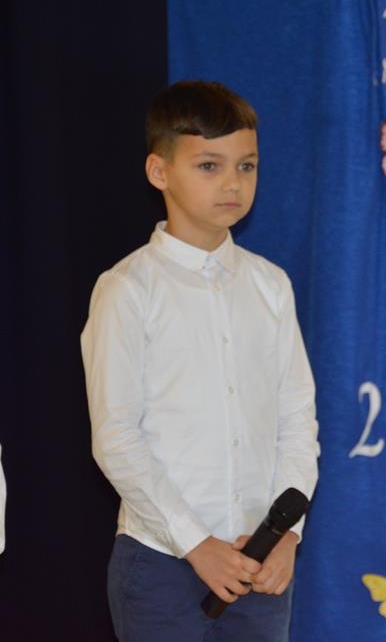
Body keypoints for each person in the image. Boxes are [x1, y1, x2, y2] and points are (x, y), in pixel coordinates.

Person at [80, 80, 319, 642]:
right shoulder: (127, 289)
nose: (233, 183)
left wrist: (288, 533)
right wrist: (195, 543)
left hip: (260, 559)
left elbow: (296, 421)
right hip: (160, 564)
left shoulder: (271, 286)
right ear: (159, 171)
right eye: (209, 166)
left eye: (247, 166)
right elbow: (116, 437)